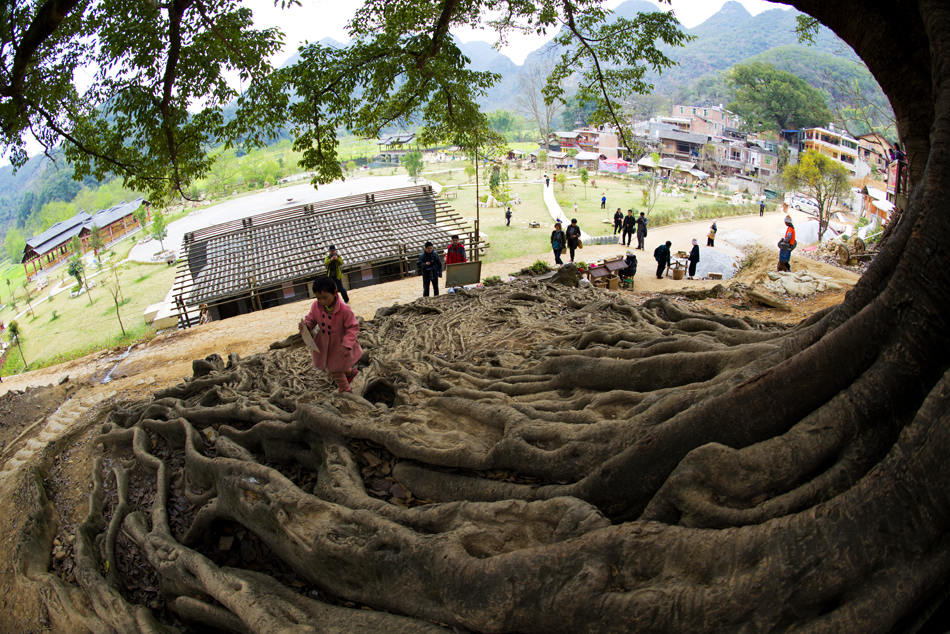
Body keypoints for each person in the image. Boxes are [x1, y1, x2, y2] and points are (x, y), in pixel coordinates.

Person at [299, 276, 363, 393]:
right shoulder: (316, 306)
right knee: (335, 366)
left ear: (334, 293)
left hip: (340, 343)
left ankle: (345, 390)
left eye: (325, 297)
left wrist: (347, 343)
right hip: (325, 344)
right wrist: (306, 326)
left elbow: (353, 327)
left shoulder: (344, 310)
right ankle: (350, 373)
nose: (322, 301)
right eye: (318, 298)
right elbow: (311, 319)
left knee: (335, 369)